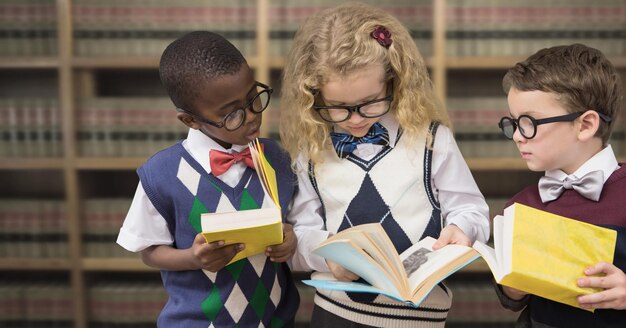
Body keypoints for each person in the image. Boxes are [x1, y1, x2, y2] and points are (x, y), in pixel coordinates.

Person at [279, 3, 490, 327]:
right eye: (337, 107)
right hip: (337, 314)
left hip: (418, 315)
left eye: (370, 103)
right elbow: (300, 239)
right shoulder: (311, 151)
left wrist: (462, 229)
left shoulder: (433, 140)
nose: (354, 119)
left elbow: (472, 210)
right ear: (313, 93)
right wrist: (329, 256)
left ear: (393, 83)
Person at [116, 31, 300, 327]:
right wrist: (193, 258)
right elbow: (149, 251)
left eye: (254, 98)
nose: (252, 116)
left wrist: (291, 240)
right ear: (191, 120)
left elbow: (296, 225)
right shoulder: (162, 173)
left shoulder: (277, 158)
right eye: (232, 115)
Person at [495, 43, 626, 327]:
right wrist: (512, 287)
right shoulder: (521, 205)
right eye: (514, 122)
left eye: (529, 122)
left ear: (585, 125)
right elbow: (514, 300)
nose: (518, 135)